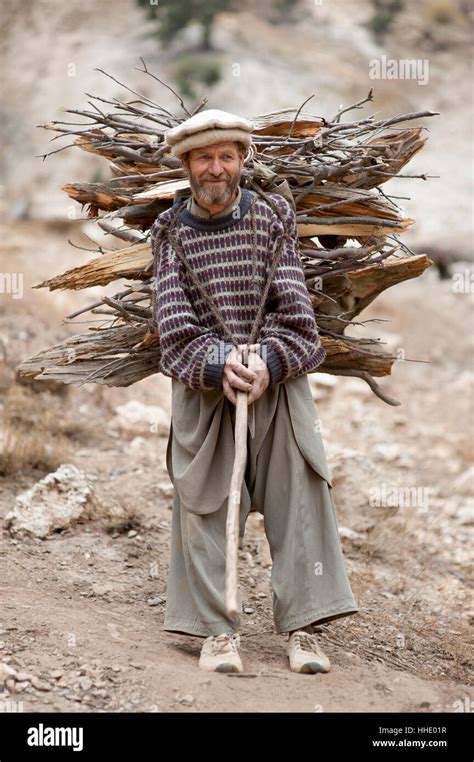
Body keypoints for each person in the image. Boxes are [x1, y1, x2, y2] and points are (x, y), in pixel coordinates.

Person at [150, 109, 358, 674]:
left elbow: (298, 321)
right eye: (202, 157)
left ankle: (305, 628)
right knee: (204, 503)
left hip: (277, 384)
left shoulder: (271, 217)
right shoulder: (170, 233)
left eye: (225, 156)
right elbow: (173, 330)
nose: (215, 168)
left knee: (302, 499)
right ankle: (217, 633)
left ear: (242, 160)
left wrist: (266, 361)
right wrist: (218, 364)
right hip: (205, 388)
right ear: (187, 165)